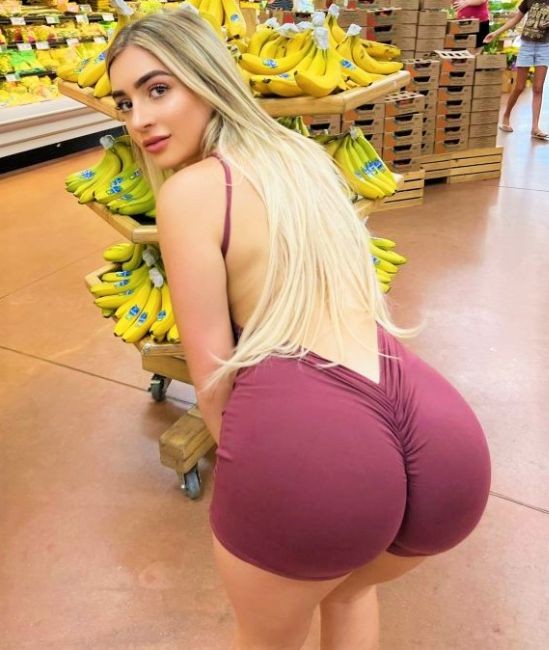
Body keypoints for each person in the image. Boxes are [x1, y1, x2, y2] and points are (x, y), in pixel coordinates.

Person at [107, 9, 491, 649]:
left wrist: (268, 475)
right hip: (440, 431)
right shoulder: (304, 158)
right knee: (350, 591)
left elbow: (213, 378)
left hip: (316, 452)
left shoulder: (190, 193)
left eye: (158, 89)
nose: (139, 118)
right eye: (125, 102)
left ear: (207, 78)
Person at [484, 0, 549, 140]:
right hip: (527, 46)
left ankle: (535, 127)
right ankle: (506, 115)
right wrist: (496, 33)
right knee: (519, 87)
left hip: (544, 47)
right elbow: (516, 19)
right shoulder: (529, 0)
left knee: (538, 88)